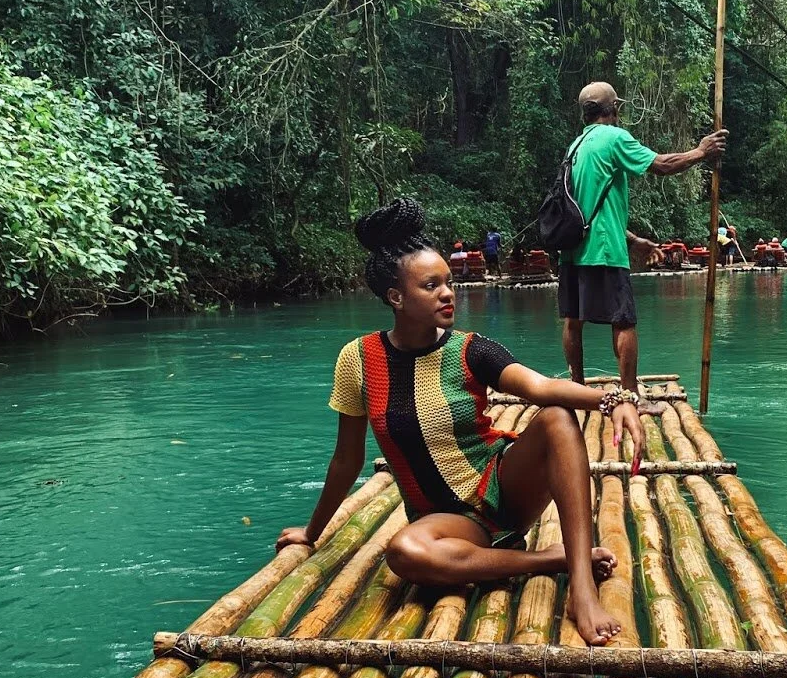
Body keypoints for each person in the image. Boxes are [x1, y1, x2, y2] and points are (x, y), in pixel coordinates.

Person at [276, 199, 644, 646]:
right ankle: (550, 559)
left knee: (557, 418)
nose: (448, 293)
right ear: (396, 297)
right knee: (404, 552)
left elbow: (542, 387)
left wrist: (614, 398)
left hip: (505, 487)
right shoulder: (357, 360)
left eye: (448, 283)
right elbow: (346, 459)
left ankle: (582, 588)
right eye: (431, 286)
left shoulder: (472, 349)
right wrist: (312, 532)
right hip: (447, 520)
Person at [559, 82, 727, 391]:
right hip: (605, 250)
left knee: (573, 318)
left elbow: (587, 210)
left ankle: (576, 388)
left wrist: (634, 241)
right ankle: (631, 394)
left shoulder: (575, 147)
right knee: (623, 320)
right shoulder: (614, 138)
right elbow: (662, 165)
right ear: (615, 109)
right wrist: (702, 152)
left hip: (572, 249)